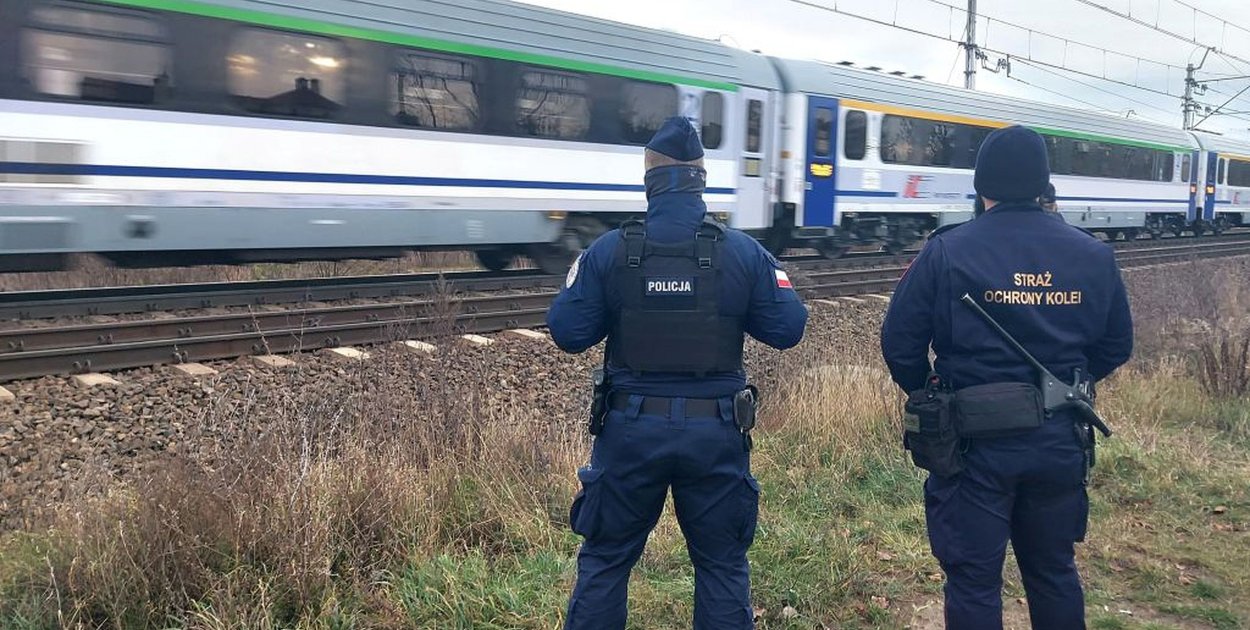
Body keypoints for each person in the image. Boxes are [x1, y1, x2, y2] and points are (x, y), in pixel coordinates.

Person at [547, 116, 808, 630]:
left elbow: (567, 331)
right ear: (700, 177)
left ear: (649, 178)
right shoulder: (743, 252)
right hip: (716, 432)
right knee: (722, 564)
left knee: (605, 562)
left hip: (630, 433)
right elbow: (788, 327)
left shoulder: (609, 251)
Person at [880, 125, 1133, 629]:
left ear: (981, 186)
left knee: (974, 581)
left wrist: (929, 390)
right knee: (1054, 572)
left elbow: (899, 343)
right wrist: (1062, 385)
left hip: (972, 444)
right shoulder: (1093, 255)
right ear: (1043, 184)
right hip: (1061, 438)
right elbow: (1115, 346)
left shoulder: (947, 250)